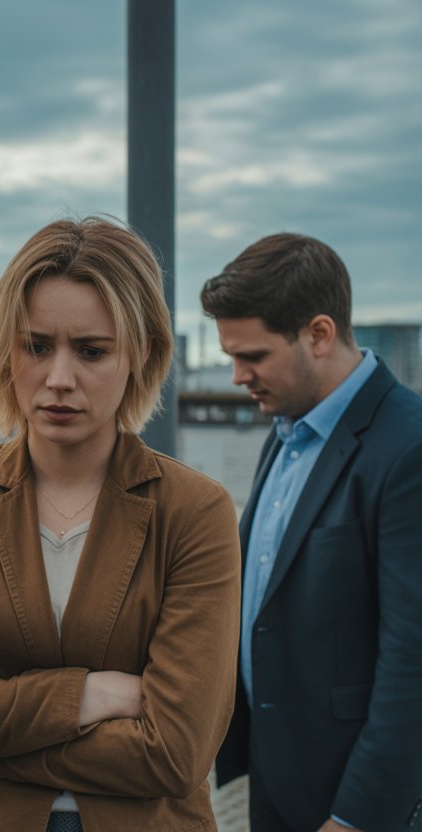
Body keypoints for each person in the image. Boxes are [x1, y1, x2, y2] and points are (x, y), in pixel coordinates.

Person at [0, 217, 242, 831]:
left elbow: (176, 753)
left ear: (143, 355)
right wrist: (86, 697)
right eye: (37, 346)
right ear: (7, 351)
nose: (59, 378)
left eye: (92, 351)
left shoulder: (195, 512)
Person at [203, 234, 422, 832]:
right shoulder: (288, 428)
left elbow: (413, 664)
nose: (237, 376)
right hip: (277, 785)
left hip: (356, 805)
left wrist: (356, 818)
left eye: (253, 356)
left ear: (319, 335)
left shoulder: (409, 449)